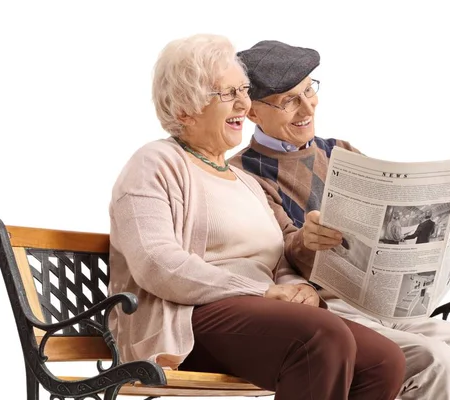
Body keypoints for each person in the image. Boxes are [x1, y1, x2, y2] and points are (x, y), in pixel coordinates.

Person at [230, 39, 450, 400]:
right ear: (252, 112)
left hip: (388, 304)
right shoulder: (243, 174)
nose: (306, 106)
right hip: (331, 311)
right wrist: (305, 241)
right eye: (288, 100)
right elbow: (277, 256)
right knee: (438, 361)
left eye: (309, 90)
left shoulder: (338, 151)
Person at [107, 34, 405, 400]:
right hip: (189, 318)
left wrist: (300, 289)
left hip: (259, 315)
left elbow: (276, 258)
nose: (243, 104)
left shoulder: (245, 180)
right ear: (184, 109)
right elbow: (157, 263)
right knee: (320, 337)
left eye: (244, 91)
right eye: (227, 94)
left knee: (383, 360)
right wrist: (262, 291)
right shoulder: (155, 164)